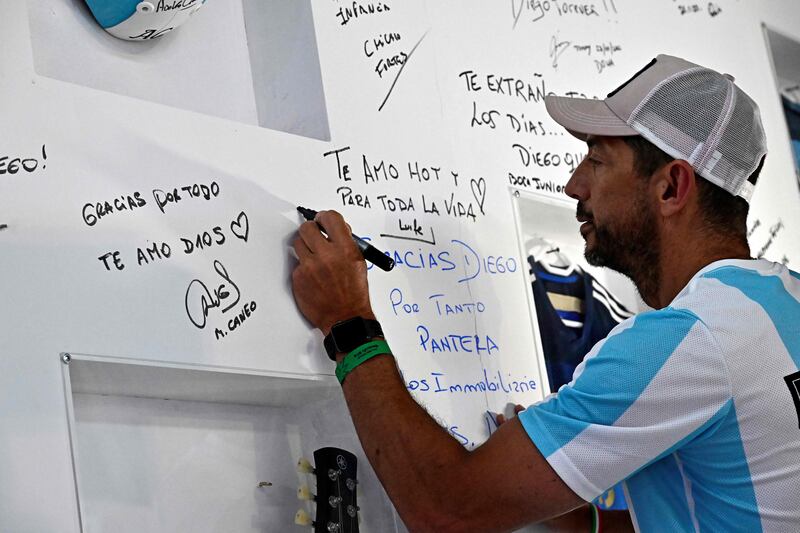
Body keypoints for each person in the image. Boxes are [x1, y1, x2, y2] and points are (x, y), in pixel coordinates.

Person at [290, 55, 800, 532]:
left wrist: (348, 324)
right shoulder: (784, 301)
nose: (573, 185)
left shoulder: (688, 341)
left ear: (670, 188)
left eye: (597, 161)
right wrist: (571, 512)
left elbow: (447, 509)